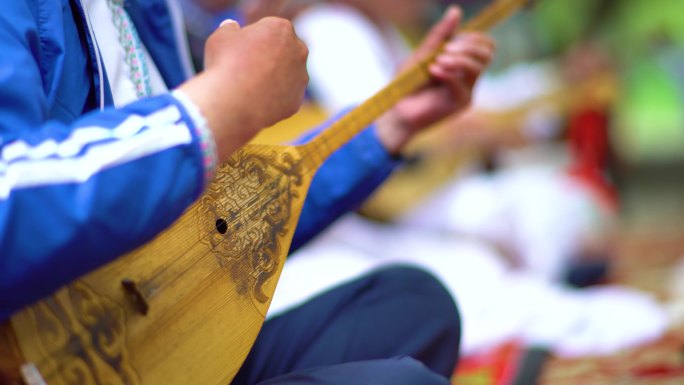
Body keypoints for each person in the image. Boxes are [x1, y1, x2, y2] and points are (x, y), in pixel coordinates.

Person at [0, 1, 494, 384]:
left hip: (159, 346)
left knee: (412, 304)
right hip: (46, 360)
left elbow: (211, 227)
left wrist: (387, 125)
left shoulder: (147, 11)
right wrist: (215, 108)